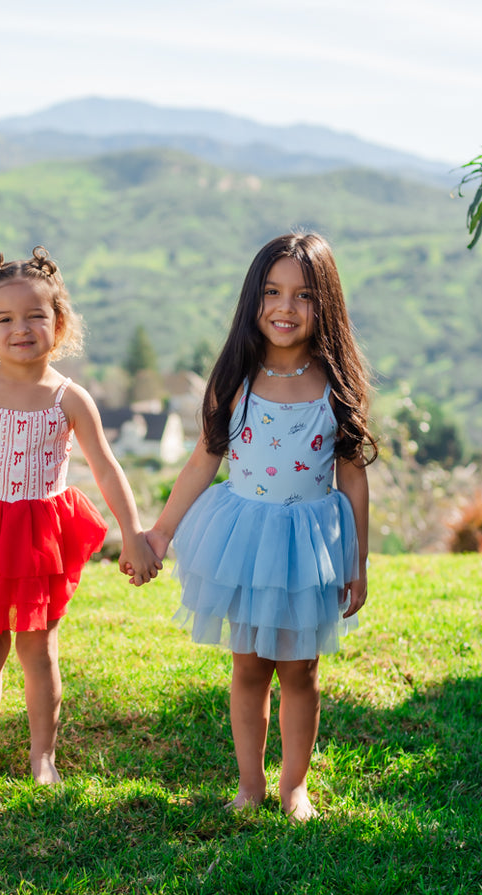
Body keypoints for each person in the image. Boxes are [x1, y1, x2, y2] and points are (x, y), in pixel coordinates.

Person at [0, 247, 161, 786]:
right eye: (5, 319)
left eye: (35, 315)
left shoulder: (69, 397)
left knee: (39, 648)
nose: (21, 328)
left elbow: (106, 468)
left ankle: (44, 757)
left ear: (58, 323)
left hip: (41, 536)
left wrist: (133, 534)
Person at [144, 232, 376, 819]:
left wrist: (358, 562)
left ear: (326, 304)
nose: (285, 307)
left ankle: (294, 787)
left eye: (303, 295)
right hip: (246, 542)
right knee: (248, 666)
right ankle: (250, 785)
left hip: (310, 548)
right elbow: (203, 460)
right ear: (254, 298)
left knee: (301, 670)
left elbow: (353, 480)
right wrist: (161, 532)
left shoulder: (335, 386)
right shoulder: (236, 380)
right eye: (272, 292)